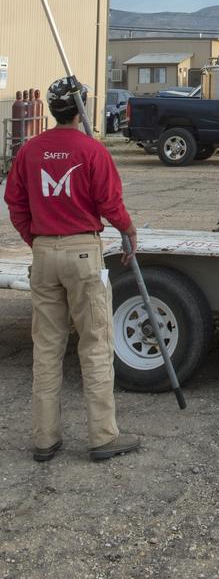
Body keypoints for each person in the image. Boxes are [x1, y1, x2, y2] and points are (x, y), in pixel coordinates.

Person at [3, 76, 142, 463]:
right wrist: (128, 231)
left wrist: (36, 240)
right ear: (81, 107)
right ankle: (101, 437)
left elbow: (14, 201)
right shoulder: (92, 150)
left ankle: (44, 439)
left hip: (45, 254)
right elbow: (109, 202)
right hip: (84, 252)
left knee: (46, 348)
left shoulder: (30, 150)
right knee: (95, 344)